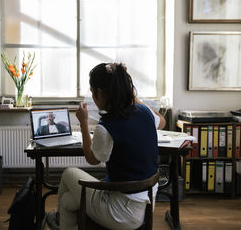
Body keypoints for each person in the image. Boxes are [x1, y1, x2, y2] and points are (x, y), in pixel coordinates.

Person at [46, 63, 166, 230]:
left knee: (68, 173)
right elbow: (162, 120)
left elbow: (91, 158)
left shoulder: (107, 126)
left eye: (92, 91)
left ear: (100, 92)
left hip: (119, 213)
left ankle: (59, 221)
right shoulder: (144, 113)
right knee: (67, 201)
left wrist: (84, 123)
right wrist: (130, 94)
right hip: (146, 205)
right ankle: (61, 221)